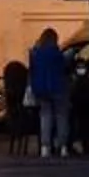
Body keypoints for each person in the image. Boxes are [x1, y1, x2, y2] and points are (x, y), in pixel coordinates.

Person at [28, 28, 72, 158]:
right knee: (61, 116)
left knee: (45, 117)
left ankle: (45, 147)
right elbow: (64, 67)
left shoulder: (35, 54)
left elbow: (32, 72)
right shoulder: (57, 54)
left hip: (41, 90)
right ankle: (63, 146)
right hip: (58, 89)